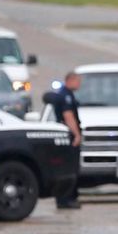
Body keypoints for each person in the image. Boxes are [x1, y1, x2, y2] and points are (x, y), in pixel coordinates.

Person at [44, 71, 83, 209]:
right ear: (70, 80)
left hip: (65, 135)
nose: (79, 84)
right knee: (70, 168)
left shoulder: (65, 94)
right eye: (78, 81)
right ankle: (66, 199)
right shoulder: (65, 96)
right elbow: (68, 116)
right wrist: (77, 134)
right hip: (68, 137)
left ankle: (67, 198)